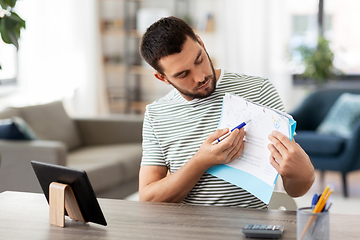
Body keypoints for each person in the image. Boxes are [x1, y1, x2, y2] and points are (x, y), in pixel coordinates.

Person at [138, 16, 315, 208]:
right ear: (162, 78)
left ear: (201, 43)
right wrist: (201, 162)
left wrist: (304, 173)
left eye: (199, 60)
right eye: (182, 74)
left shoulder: (259, 90)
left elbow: (294, 189)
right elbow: (148, 199)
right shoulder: (156, 114)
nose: (200, 77)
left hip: (251, 231)